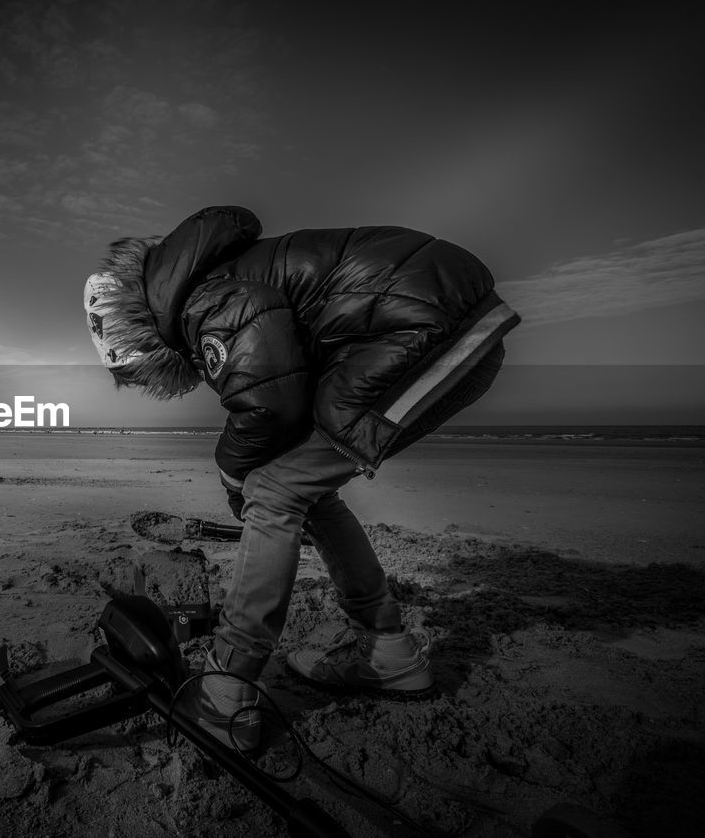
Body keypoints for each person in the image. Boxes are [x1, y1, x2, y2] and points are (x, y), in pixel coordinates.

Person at [82, 206, 519, 752]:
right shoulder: (213, 281)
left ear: (139, 336)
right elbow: (278, 386)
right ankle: (389, 654)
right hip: (440, 323)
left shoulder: (203, 301)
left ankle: (227, 687)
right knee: (300, 489)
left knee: (275, 491)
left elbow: (269, 406)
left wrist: (232, 474)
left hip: (430, 330)